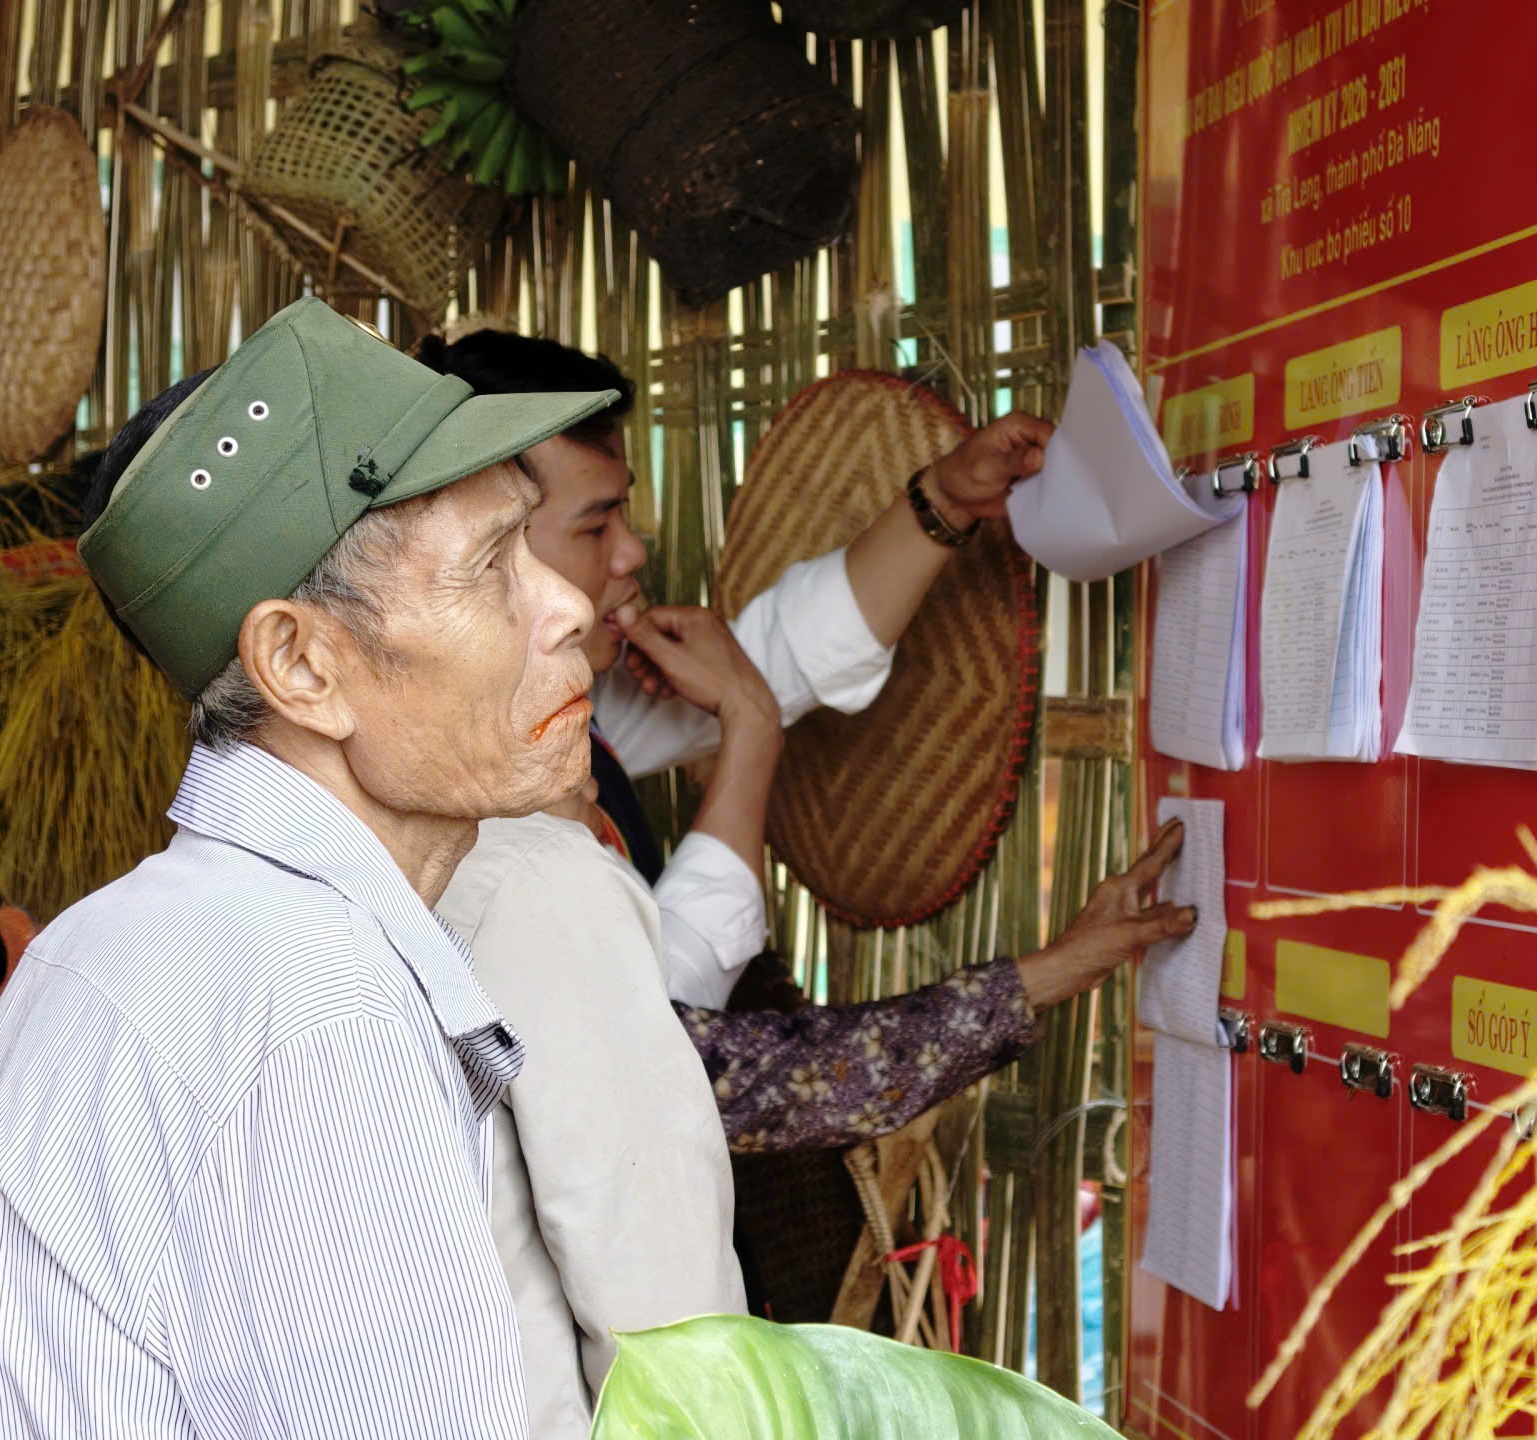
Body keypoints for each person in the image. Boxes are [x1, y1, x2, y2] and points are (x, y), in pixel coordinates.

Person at [423, 330, 1195, 1438]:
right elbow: (703, 1053)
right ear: (479, 546)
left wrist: (937, 503)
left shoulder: (545, 731)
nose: (635, 554)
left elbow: (769, 660)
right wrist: (1048, 970)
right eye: (595, 525)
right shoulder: (487, 834)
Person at [0, 297, 616, 1436]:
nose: (572, 605)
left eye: (531, 544)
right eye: (491, 568)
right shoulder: (315, 1011)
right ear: (299, 663)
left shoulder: (117, 939)